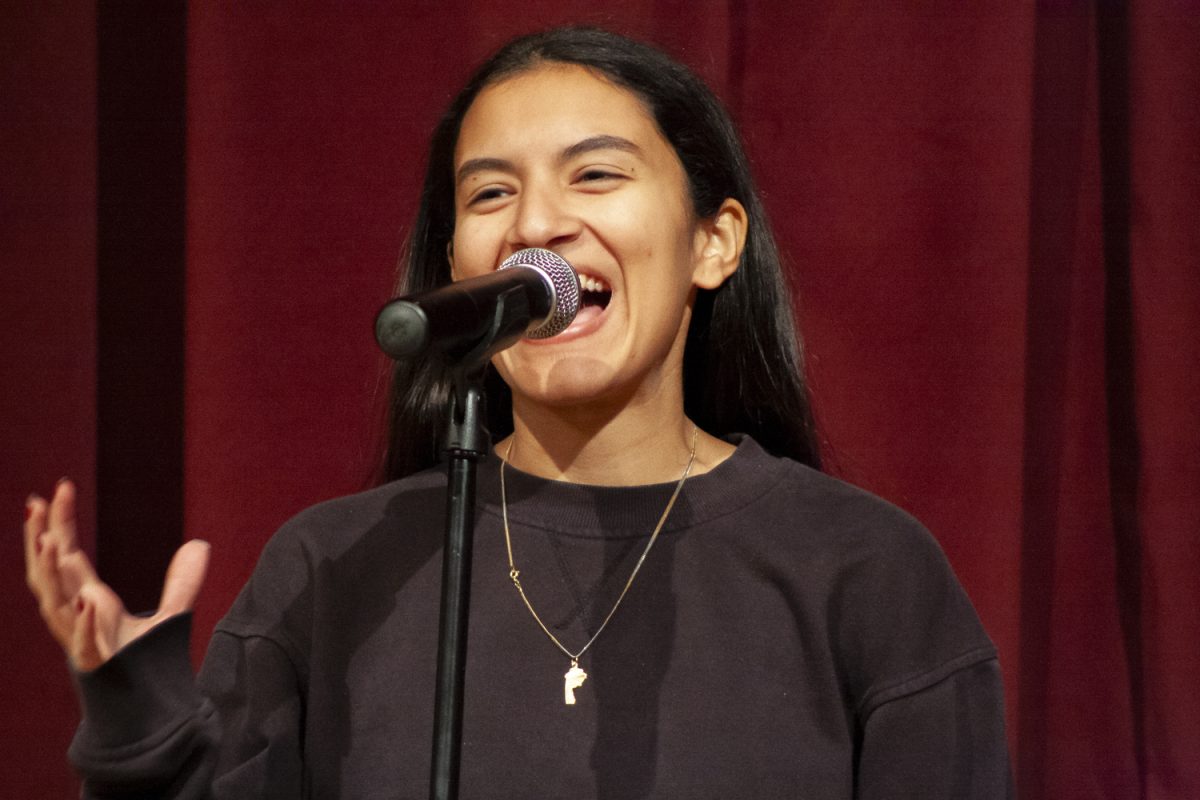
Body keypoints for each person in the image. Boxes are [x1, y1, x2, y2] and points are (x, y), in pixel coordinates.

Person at [24, 26, 1011, 798]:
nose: (536, 225)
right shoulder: (336, 570)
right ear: (455, 265)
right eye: (490, 191)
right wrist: (135, 719)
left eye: (595, 174)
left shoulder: (867, 572)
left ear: (715, 243)